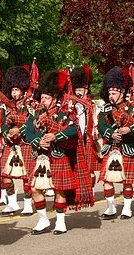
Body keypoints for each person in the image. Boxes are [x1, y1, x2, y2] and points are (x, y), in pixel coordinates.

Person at [25, 70, 94, 235]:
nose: (43, 100)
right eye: (42, 97)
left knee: (58, 189)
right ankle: (43, 219)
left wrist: (55, 136)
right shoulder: (36, 114)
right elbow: (28, 132)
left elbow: (73, 131)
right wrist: (38, 140)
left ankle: (61, 221)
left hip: (58, 155)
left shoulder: (64, 114)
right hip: (41, 157)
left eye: (47, 98)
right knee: (34, 189)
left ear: (55, 98)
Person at [97, 67, 134, 220]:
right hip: (111, 148)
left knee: (127, 181)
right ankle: (110, 208)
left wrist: (129, 129)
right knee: (106, 180)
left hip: (127, 148)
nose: (110, 96)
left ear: (121, 92)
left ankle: (127, 208)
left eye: (113, 93)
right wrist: (110, 133)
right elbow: (101, 126)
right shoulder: (105, 111)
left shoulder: (132, 108)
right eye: (109, 93)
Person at [0, 66, 36, 216]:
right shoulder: (6, 106)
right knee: (5, 176)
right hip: (10, 144)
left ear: (22, 88)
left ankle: (28, 205)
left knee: (26, 176)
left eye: (16, 90)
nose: (14, 93)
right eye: (12, 90)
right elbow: (2, 123)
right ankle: (12, 203)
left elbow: (33, 122)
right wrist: (6, 132)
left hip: (25, 142)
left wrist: (19, 131)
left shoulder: (31, 104)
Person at [70, 65, 100, 186]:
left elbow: (95, 119)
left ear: (86, 90)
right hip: (75, 138)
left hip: (88, 138)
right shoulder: (71, 103)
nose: (78, 91)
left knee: (90, 169)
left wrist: (95, 133)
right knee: (75, 167)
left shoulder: (92, 104)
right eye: (76, 89)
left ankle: (91, 190)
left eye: (81, 89)